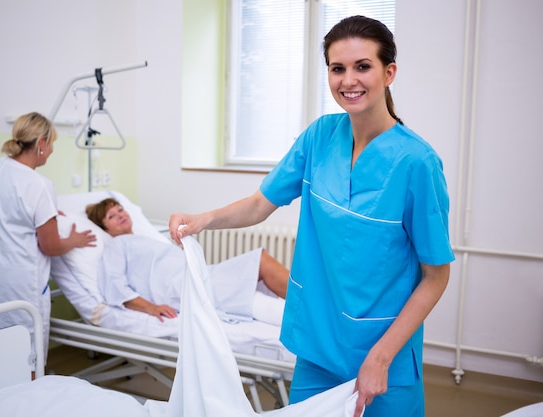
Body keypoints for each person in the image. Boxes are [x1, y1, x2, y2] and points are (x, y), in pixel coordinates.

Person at [168, 15, 455, 417]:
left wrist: (381, 357)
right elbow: (258, 205)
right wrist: (202, 220)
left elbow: (436, 276)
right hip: (318, 349)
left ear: (388, 73)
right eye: (337, 68)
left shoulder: (417, 163)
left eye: (362, 66)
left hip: (382, 356)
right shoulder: (319, 137)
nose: (348, 80)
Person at [0, 112, 96, 368]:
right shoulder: (38, 184)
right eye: (51, 145)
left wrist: (49, 212)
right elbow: (50, 246)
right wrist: (73, 239)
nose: (51, 152)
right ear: (41, 143)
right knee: (26, 356)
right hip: (21, 285)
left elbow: (7, 214)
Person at [86, 198, 289, 325]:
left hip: (198, 274)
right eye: (111, 216)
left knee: (260, 267)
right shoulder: (116, 246)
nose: (120, 215)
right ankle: (313, 312)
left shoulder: (145, 239)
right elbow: (114, 284)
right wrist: (151, 307)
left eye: (120, 209)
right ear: (104, 228)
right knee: (259, 262)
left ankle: (312, 312)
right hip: (180, 286)